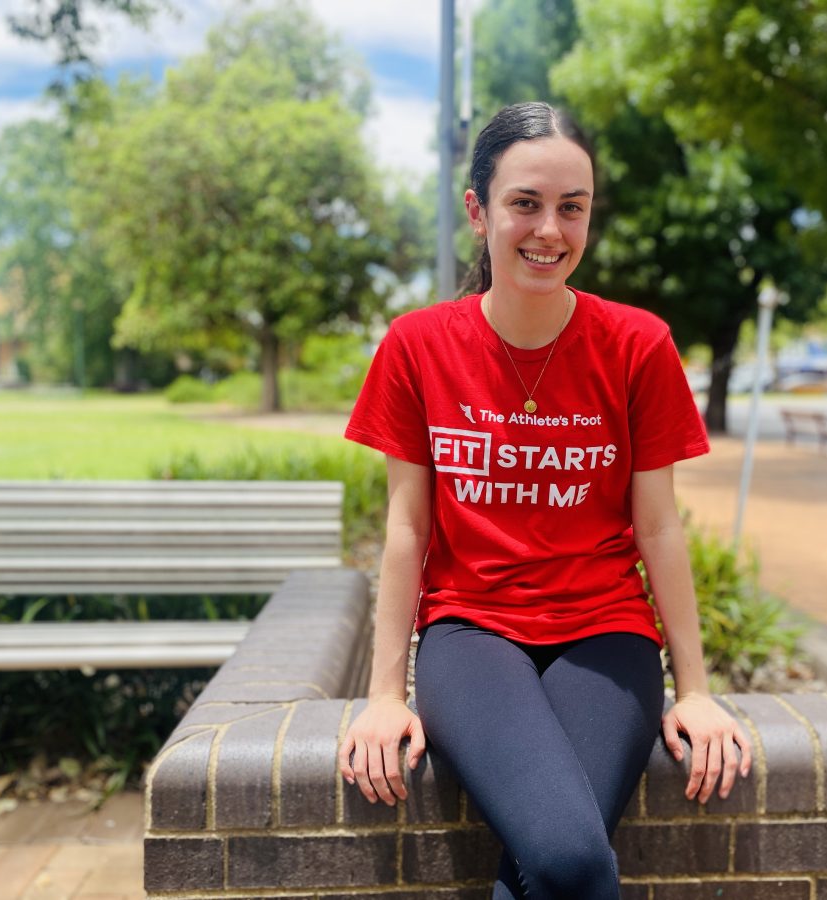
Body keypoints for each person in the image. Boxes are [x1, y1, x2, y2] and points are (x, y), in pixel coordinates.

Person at [338, 101, 751, 900]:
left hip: (607, 635)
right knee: (569, 861)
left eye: (573, 207)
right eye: (525, 203)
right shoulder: (417, 346)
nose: (550, 231)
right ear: (478, 210)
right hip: (470, 633)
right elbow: (405, 529)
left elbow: (659, 527)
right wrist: (385, 696)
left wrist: (696, 689)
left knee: (559, 862)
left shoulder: (639, 345)